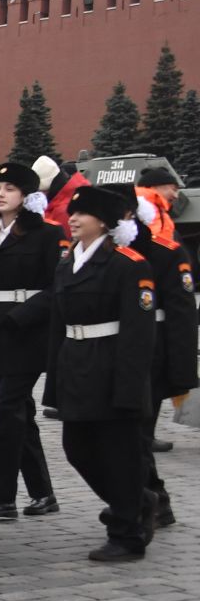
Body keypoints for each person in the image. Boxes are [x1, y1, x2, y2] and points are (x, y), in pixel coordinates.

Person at [43, 184, 159, 562]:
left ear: (105, 222)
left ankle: (127, 534)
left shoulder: (128, 265)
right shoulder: (67, 262)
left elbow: (138, 334)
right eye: (72, 214)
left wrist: (130, 389)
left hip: (111, 366)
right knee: (76, 448)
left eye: (83, 214)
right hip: (76, 364)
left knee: (119, 452)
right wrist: (54, 387)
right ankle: (137, 500)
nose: (73, 219)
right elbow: (58, 327)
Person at [0, 161, 62, 519]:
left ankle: (1, 496)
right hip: (0, 331)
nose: (0, 193)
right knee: (21, 413)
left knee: (7, 413)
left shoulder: (46, 235)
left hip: (31, 332)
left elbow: (59, 286)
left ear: (27, 197)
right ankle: (43, 493)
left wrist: (22, 315)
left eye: (9, 189)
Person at [126, 172, 195, 532]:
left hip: (157, 352)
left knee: (136, 432)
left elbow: (183, 315)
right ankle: (152, 498)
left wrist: (182, 373)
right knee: (130, 434)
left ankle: (149, 502)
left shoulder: (167, 252)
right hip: (124, 354)